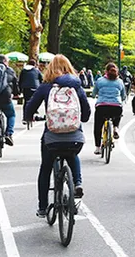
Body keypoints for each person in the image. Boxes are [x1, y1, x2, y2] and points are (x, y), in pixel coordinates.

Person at [24, 54, 91, 218]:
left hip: (52, 138)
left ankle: (42, 207)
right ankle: (78, 183)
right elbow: (87, 113)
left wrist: (29, 116)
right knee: (72, 154)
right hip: (75, 137)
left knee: (45, 167)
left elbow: (30, 107)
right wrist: (80, 118)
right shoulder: (77, 87)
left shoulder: (45, 87)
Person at [93, 63, 128, 154]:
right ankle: (116, 127)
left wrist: (95, 96)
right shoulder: (120, 82)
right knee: (118, 113)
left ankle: (97, 147)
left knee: (98, 127)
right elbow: (123, 96)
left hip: (102, 106)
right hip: (116, 106)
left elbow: (93, 93)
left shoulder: (100, 81)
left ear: (106, 71)